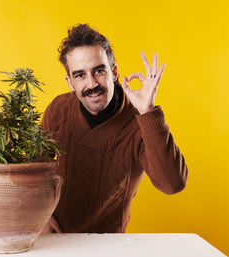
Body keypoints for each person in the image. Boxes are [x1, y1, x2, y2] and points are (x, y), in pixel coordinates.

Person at [40, 24, 188, 234]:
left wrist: (148, 112)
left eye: (99, 71)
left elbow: (172, 184)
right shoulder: (59, 109)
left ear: (114, 71)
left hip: (108, 247)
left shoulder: (140, 121)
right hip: (54, 240)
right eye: (80, 75)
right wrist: (41, 217)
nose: (91, 84)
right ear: (70, 82)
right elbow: (30, 170)